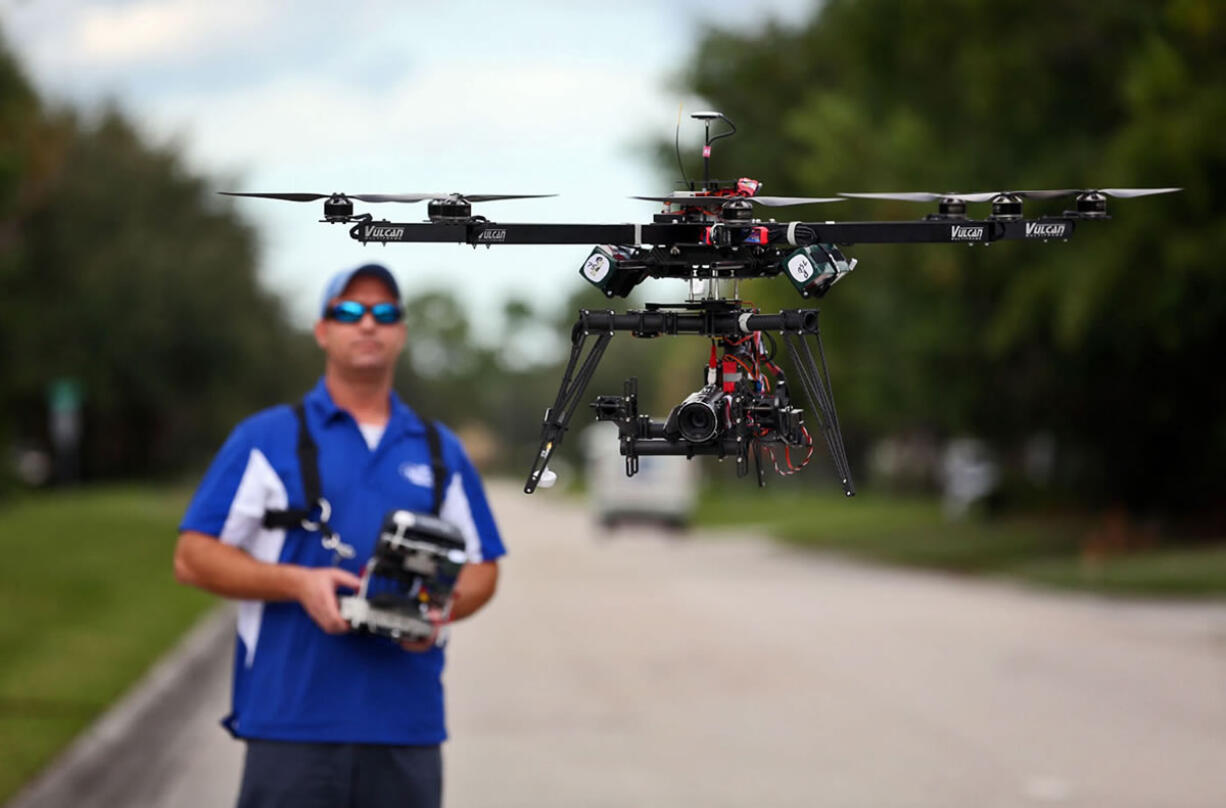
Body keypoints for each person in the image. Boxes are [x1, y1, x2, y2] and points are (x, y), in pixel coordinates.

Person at [173, 262, 504, 808]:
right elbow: (191, 557)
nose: (368, 324)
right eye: (349, 311)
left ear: (401, 331)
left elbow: (484, 567)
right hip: (290, 723)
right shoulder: (266, 438)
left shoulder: (441, 448)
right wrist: (297, 582)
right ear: (323, 330)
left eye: (385, 312)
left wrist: (436, 609)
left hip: (407, 727)